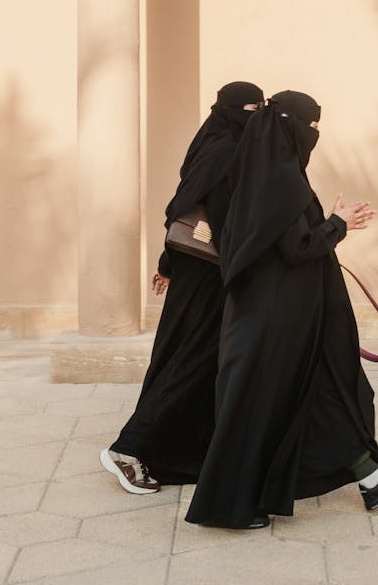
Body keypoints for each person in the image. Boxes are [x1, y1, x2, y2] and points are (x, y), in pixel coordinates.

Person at [186, 90, 378, 529]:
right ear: (289, 127)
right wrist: (338, 225)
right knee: (270, 406)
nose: (314, 134)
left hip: (272, 315)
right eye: (310, 126)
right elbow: (297, 248)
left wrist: (324, 222)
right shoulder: (283, 182)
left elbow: (277, 240)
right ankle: (230, 507)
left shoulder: (259, 176)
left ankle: (373, 479)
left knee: (314, 396)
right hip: (282, 320)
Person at [100, 81, 264, 495]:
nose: (256, 116)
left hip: (197, 270)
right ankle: (127, 449)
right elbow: (198, 214)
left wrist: (168, 264)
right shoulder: (226, 149)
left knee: (190, 358)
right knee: (191, 359)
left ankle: (179, 450)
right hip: (208, 274)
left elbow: (191, 209)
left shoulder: (216, 142)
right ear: (230, 111)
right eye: (251, 108)